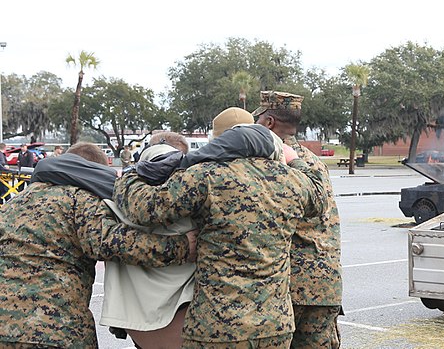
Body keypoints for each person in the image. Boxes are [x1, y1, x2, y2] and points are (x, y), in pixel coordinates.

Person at [114, 114, 325, 348]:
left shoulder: (206, 175)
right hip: (275, 326)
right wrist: (294, 160)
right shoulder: (291, 181)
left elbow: (145, 208)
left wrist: (130, 176)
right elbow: (319, 197)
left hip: (218, 327)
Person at [0, 142, 197, 348]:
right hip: (54, 329)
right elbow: (110, 241)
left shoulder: (14, 203)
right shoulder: (80, 198)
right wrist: (182, 247)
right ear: (93, 171)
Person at [253, 90, 343, 349]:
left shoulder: (273, 160)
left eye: (257, 122)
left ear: (268, 123)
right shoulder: (313, 161)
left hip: (291, 287)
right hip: (326, 285)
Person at [101, 132, 196, 349]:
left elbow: (104, 242)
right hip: (188, 314)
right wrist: (182, 246)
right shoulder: (198, 191)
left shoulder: (116, 194)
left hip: (136, 319)